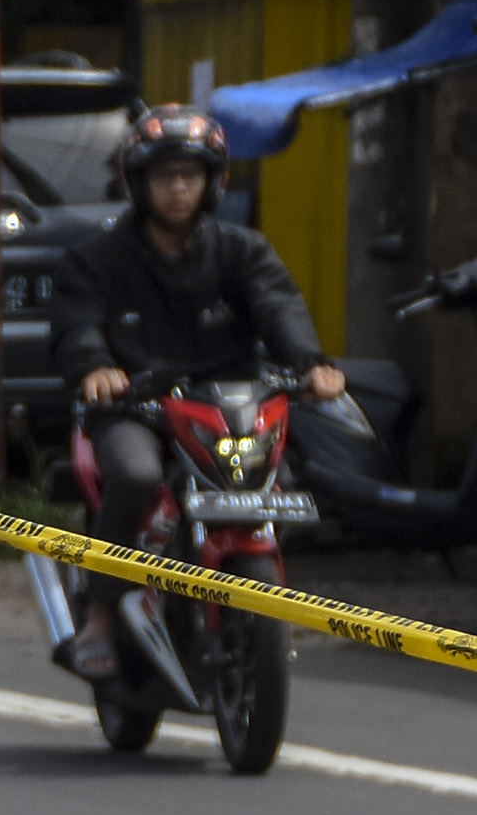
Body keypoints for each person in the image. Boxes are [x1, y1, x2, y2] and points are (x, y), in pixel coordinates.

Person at [47, 103, 345, 682]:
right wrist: (96, 367)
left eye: (190, 176)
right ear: (138, 184)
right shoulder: (96, 260)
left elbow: (278, 305)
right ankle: (103, 614)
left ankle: (249, 602)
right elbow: (76, 323)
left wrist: (311, 363)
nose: (178, 189)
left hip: (227, 407)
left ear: (213, 182)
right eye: (163, 177)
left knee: (279, 484)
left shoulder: (242, 251)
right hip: (137, 408)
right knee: (135, 477)